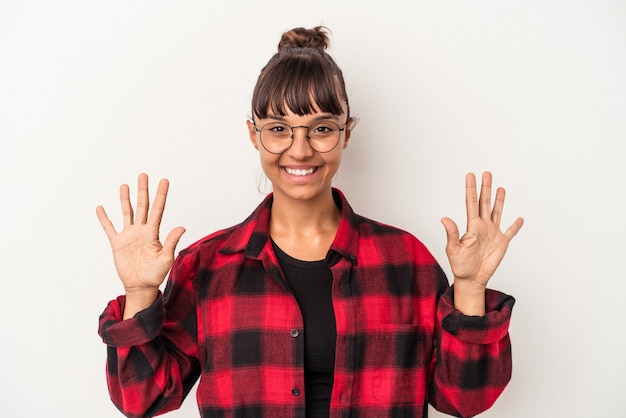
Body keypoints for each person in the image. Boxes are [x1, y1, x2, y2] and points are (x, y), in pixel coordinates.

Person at [97, 26, 524, 418]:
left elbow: (465, 398)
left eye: (320, 128)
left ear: (346, 133)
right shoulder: (207, 267)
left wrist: (468, 290)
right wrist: (140, 294)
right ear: (254, 134)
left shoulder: (405, 261)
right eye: (279, 128)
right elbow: (144, 398)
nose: (299, 150)